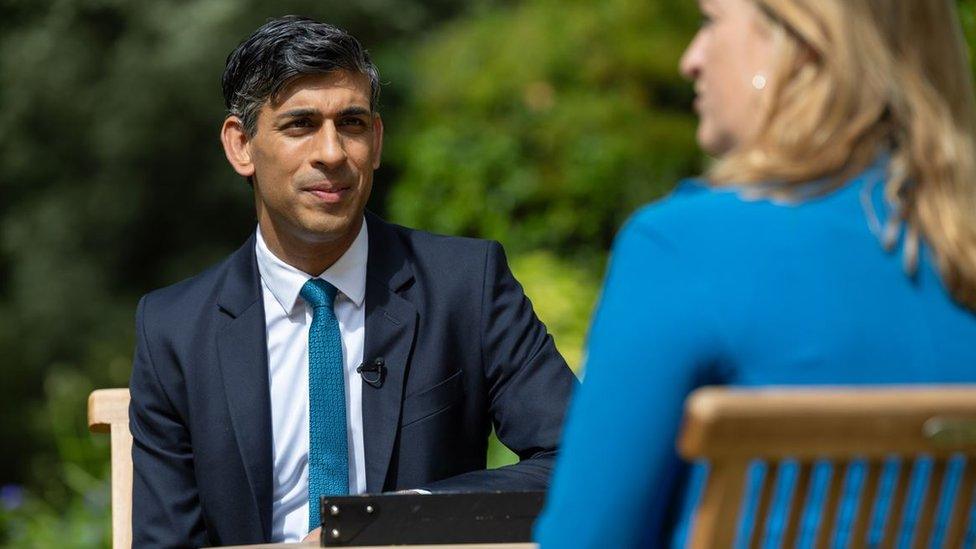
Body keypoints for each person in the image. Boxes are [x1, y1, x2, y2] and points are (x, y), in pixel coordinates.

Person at [535, 0, 976, 546]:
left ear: (797, 43)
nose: (690, 61)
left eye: (710, 22)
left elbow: (589, 537)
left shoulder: (684, 248)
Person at [128, 16, 577, 547]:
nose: (333, 153)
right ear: (241, 146)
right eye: (299, 125)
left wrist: (402, 520)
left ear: (378, 140)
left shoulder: (466, 285)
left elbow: (579, 458)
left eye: (352, 123)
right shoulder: (174, 329)